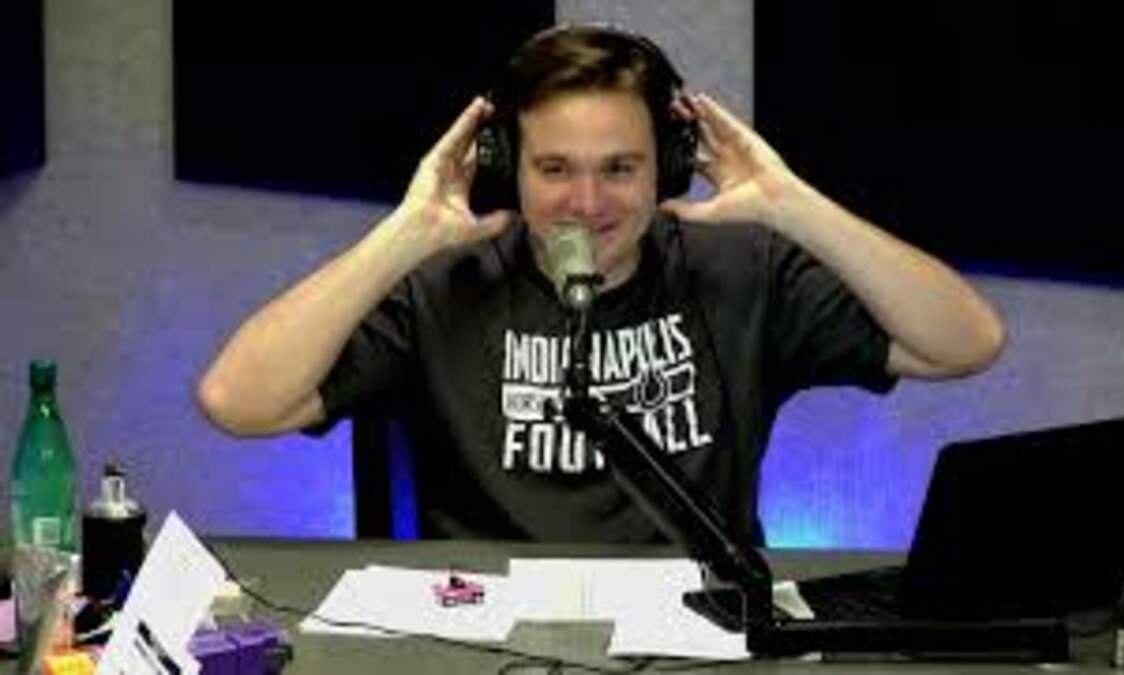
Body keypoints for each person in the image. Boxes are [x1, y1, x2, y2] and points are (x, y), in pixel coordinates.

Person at [195, 24, 1006, 544]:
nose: (586, 202)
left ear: (669, 167)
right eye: (554, 169)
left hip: (697, 631)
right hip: (483, 640)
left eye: (620, 168)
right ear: (508, 167)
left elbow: (966, 342)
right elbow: (238, 401)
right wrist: (404, 234)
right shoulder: (445, 284)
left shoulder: (741, 272)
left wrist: (792, 205)